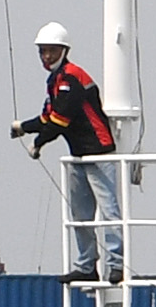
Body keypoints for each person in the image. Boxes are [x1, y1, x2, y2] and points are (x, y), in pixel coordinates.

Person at [14, 21, 123, 282]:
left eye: (52, 50)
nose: (47, 56)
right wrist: (23, 127)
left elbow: (60, 120)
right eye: (43, 51)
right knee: (80, 216)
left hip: (98, 153)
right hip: (78, 155)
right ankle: (87, 267)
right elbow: (47, 117)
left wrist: (37, 143)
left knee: (109, 212)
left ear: (64, 50)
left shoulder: (71, 78)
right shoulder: (55, 80)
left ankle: (116, 264)